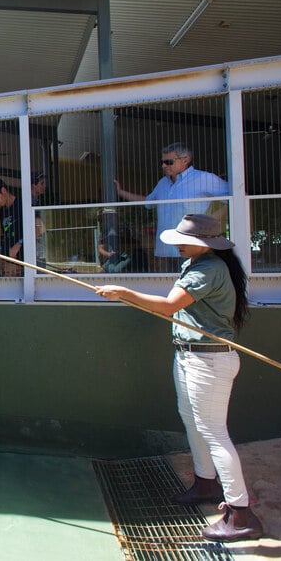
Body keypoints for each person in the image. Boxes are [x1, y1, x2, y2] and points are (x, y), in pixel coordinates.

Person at [95, 214, 263, 542]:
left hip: (209, 361)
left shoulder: (208, 269)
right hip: (189, 355)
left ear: (202, 243)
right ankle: (205, 483)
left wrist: (123, 292)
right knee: (192, 421)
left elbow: (170, 306)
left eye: (183, 240)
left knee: (215, 433)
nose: (177, 244)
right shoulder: (197, 264)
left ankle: (241, 513)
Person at [115, 143, 229, 273]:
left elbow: (235, 197)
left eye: (169, 162)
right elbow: (148, 202)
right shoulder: (163, 183)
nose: (163, 166)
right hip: (165, 249)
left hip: (190, 247)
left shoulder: (204, 178)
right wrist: (121, 192)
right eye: (162, 162)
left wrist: (211, 220)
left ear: (185, 160)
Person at [0, 178, 27, 277]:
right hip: (8, 258)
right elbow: (6, 234)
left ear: (3, 190)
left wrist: (18, 244)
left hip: (24, 259)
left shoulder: (22, 205)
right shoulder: (2, 211)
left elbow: (35, 229)